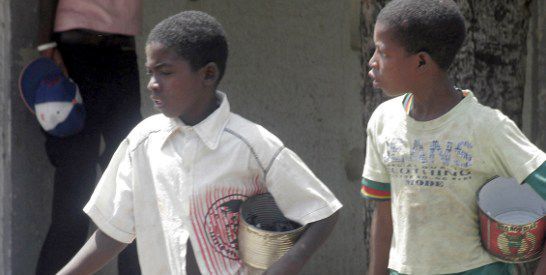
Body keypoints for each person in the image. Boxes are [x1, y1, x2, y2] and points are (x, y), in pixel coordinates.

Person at [56, 10, 342, 275]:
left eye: (165, 72)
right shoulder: (142, 143)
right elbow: (111, 234)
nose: (153, 83)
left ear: (208, 74)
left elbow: (321, 211)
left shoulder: (251, 144)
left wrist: (288, 263)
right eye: (150, 72)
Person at [360, 0, 546, 274]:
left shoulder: (486, 127)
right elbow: (384, 211)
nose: (372, 61)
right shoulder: (383, 121)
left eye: (384, 53)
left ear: (422, 61)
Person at [35, 0, 142, 274]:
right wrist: (45, 45)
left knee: (134, 186)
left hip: (122, 51)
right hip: (75, 49)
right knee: (75, 192)